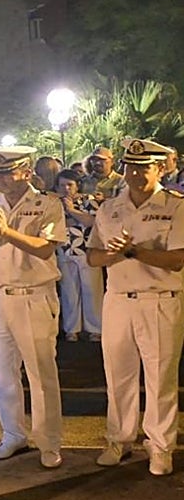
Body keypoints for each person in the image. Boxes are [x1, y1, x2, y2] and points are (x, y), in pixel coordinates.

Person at [86, 139, 184, 476]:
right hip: (118, 299)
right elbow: (93, 255)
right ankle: (119, 438)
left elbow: (177, 260)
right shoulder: (110, 208)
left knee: (160, 379)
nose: (135, 173)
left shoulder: (176, 206)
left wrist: (134, 252)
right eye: (130, 166)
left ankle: (160, 446)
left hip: (159, 300)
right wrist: (114, 254)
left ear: (159, 168)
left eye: (144, 167)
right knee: (118, 376)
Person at [0, 147, 67, 469]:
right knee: (3, 373)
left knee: (41, 373)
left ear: (25, 171)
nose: (2, 179)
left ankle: (49, 442)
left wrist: (7, 232)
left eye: (8, 172)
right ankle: (13, 434)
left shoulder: (46, 204)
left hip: (33, 295)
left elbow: (45, 249)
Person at [55, 169, 103, 342]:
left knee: (92, 290)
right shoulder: (54, 203)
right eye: (62, 185)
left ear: (78, 186)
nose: (66, 189)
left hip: (87, 249)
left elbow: (92, 222)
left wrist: (72, 211)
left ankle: (95, 328)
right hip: (65, 249)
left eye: (70, 185)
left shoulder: (89, 200)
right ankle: (71, 328)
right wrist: (77, 220)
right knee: (70, 291)